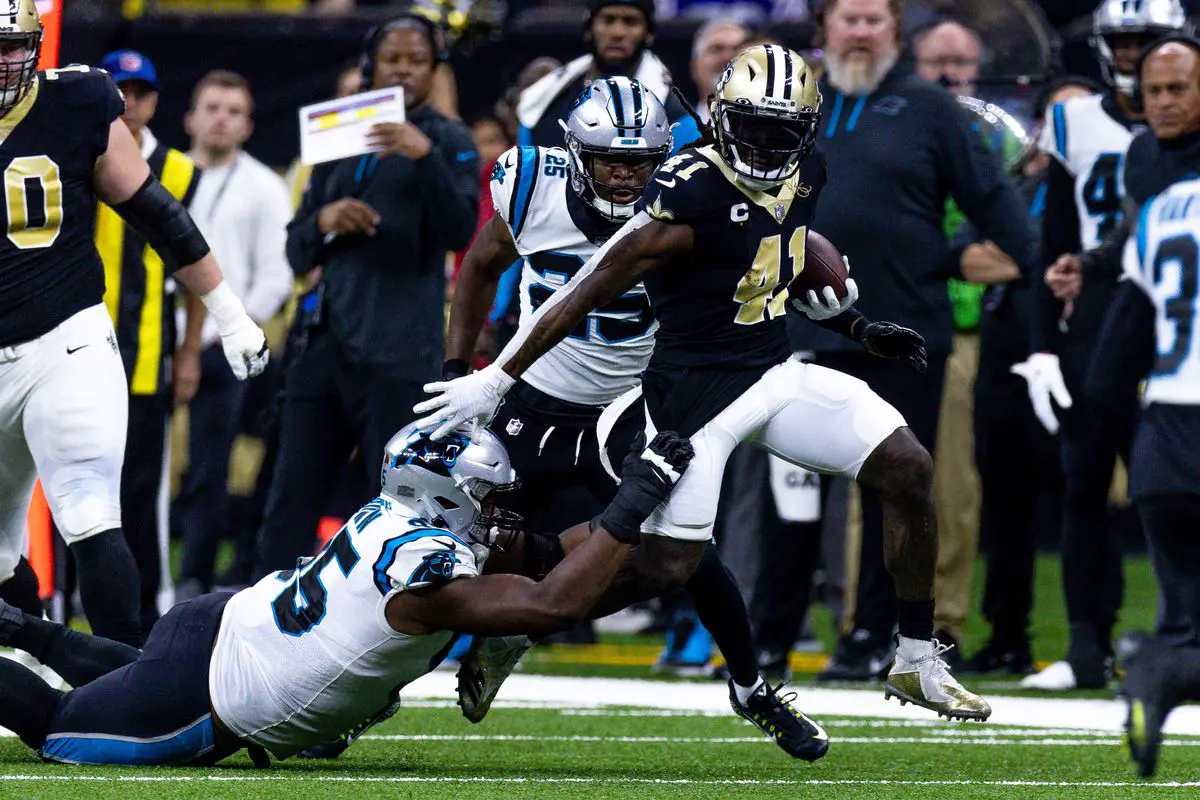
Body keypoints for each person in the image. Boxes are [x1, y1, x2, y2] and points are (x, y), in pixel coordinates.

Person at [416, 45, 992, 727]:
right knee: (667, 563)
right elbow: (582, 290)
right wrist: (495, 378)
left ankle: (916, 657)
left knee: (907, 465)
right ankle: (519, 623)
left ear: (808, 130)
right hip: (691, 396)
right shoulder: (685, 189)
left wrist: (858, 325)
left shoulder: (809, 168)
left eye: (781, 133)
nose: (764, 146)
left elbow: (772, 264)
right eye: (750, 127)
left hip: (773, 371)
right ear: (720, 118)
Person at [445, 76, 816, 757]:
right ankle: (370, 693)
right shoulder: (532, 186)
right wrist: (457, 372)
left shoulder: (694, 193)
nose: (624, 175)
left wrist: (839, 303)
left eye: (641, 162)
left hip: (630, 409)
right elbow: (478, 266)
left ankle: (751, 685)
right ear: (573, 154)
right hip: (532, 403)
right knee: (453, 555)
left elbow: (790, 240)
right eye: (609, 160)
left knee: (689, 554)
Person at [0, 424, 694, 766]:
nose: (498, 514)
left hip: (218, 630)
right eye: (485, 498)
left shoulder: (402, 518)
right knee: (58, 727)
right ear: (444, 496)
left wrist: (660, 544)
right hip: (211, 692)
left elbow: (553, 566)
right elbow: (555, 605)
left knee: (130, 677)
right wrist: (634, 499)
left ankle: (20, 628)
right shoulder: (428, 575)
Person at [0, 1, 268, 648]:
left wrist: (229, 313)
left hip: (65, 339)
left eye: (13, 43)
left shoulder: (80, 100)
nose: (2, 57)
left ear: (36, 44)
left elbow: (156, 213)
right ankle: (56, 664)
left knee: (89, 513)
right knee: (3, 554)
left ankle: (130, 682)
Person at [794, 0, 1035, 682]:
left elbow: (1001, 212)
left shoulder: (932, 108)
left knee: (897, 490)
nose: (862, 31)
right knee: (793, 501)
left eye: (876, 19)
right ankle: (777, 635)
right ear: (827, 28)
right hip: (803, 331)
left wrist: (990, 260)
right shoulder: (796, 106)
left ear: (896, 31)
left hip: (902, 337)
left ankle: (883, 634)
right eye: (850, 18)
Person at [258, 13, 480, 577]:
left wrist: (422, 155)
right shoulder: (340, 134)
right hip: (324, 346)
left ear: (434, 71)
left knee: (391, 505)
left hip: (401, 353)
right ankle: (259, 614)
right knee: (289, 499)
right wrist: (326, 218)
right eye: (392, 59)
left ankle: (378, 619)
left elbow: (460, 234)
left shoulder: (451, 139)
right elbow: (296, 250)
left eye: (416, 61)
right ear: (370, 67)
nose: (403, 70)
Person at [1012, 0, 1190, 691]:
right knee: (1085, 480)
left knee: (1174, 486)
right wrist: (1042, 343)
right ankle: (1088, 645)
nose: (1131, 52)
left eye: (1147, 40)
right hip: (1094, 317)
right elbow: (1056, 237)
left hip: (1177, 323)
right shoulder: (1076, 121)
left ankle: (1181, 637)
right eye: (1123, 40)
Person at [1081, 37, 1200, 777]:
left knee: (1190, 627)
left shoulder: (1159, 210)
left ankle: (1157, 666)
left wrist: (1150, 450)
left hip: (1164, 440)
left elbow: (1105, 376)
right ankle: (1154, 667)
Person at [962, 77, 1100, 676]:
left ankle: (1090, 637)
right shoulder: (1014, 182)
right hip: (1004, 359)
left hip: (1077, 357)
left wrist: (1025, 256)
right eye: (1053, 115)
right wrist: (1045, 256)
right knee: (1004, 504)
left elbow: (1099, 252)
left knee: (1080, 497)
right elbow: (963, 256)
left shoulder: (1102, 185)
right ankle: (1007, 635)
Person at [93, 49, 204, 632]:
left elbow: (195, 265)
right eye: (120, 89)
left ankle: (141, 623)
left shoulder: (181, 170)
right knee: (76, 493)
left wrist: (188, 353)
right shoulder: (73, 147)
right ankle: (62, 613)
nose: (129, 102)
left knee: (137, 496)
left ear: (156, 100)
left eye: (140, 91)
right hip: (74, 353)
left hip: (145, 359)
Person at [172, 71, 294, 601]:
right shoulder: (157, 176)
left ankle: (194, 577)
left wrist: (236, 327)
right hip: (150, 339)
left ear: (247, 126)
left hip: (227, 345)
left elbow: (277, 273)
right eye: (212, 107)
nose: (221, 117)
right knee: (132, 465)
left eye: (234, 110)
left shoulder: (264, 186)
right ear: (190, 118)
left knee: (210, 468)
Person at [516, 0, 700, 150]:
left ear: (649, 34)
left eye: (631, 22)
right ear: (589, 29)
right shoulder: (542, 106)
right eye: (608, 20)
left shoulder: (677, 120)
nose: (617, 33)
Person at [689, 20, 750, 124]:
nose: (727, 57)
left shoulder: (769, 130)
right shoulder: (673, 131)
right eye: (717, 49)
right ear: (695, 67)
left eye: (737, 49)